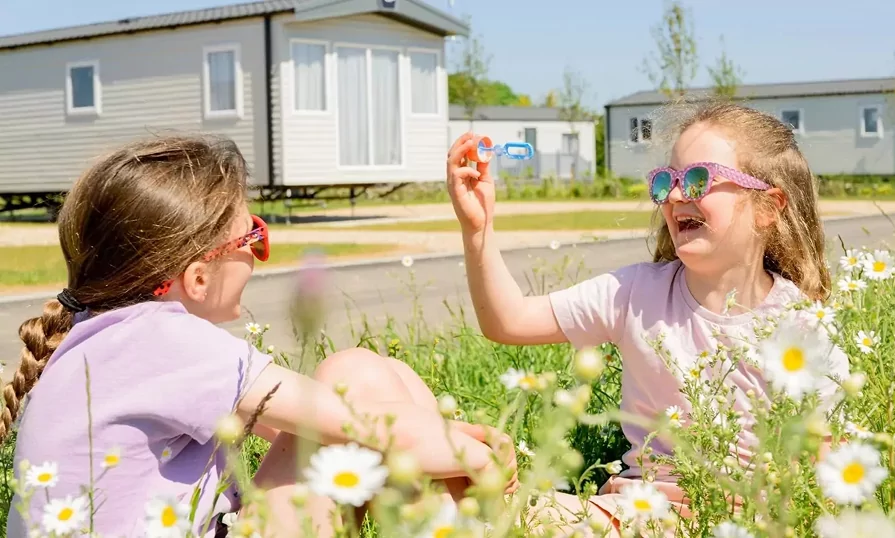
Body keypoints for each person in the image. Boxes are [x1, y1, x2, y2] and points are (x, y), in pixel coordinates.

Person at [3, 134, 517, 538]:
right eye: (254, 235)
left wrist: (445, 442)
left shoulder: (100, 334)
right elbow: (358, 421)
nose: (259, 253)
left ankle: (466, 522)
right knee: (353, 374)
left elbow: (303, 426)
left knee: (387, 378)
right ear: (199, 278)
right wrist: (478, 454)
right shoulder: (167, 339)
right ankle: (468, 521)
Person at [445, 102, 849, 536]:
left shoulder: (802, 328)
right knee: (449, 483)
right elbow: (509, 321)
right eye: (666, 181)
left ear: (767, 208)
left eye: (698, 180)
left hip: (742, 522)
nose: (675, 196)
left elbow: (822, 477)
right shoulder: (636, 293)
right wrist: (477, 229)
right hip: (636, 508)